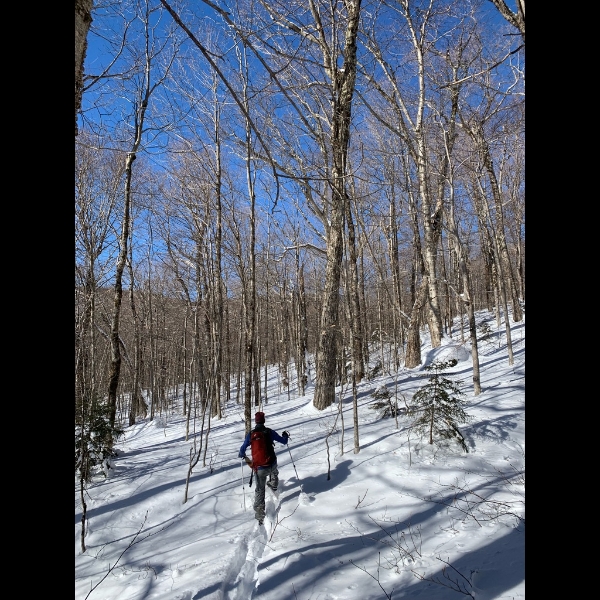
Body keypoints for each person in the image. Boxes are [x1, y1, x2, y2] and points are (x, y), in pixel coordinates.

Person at [238, 411, 289, 525]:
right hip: (271, 464)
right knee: (274, 467)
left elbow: (242, 449)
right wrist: (285, 435)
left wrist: (242, 454)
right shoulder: (269, 432)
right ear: (264, 421)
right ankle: (273, 484)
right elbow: (284, 441)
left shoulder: (251, 434)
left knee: (260, 490)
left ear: (256, 421)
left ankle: (260, 514)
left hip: (260, 468)